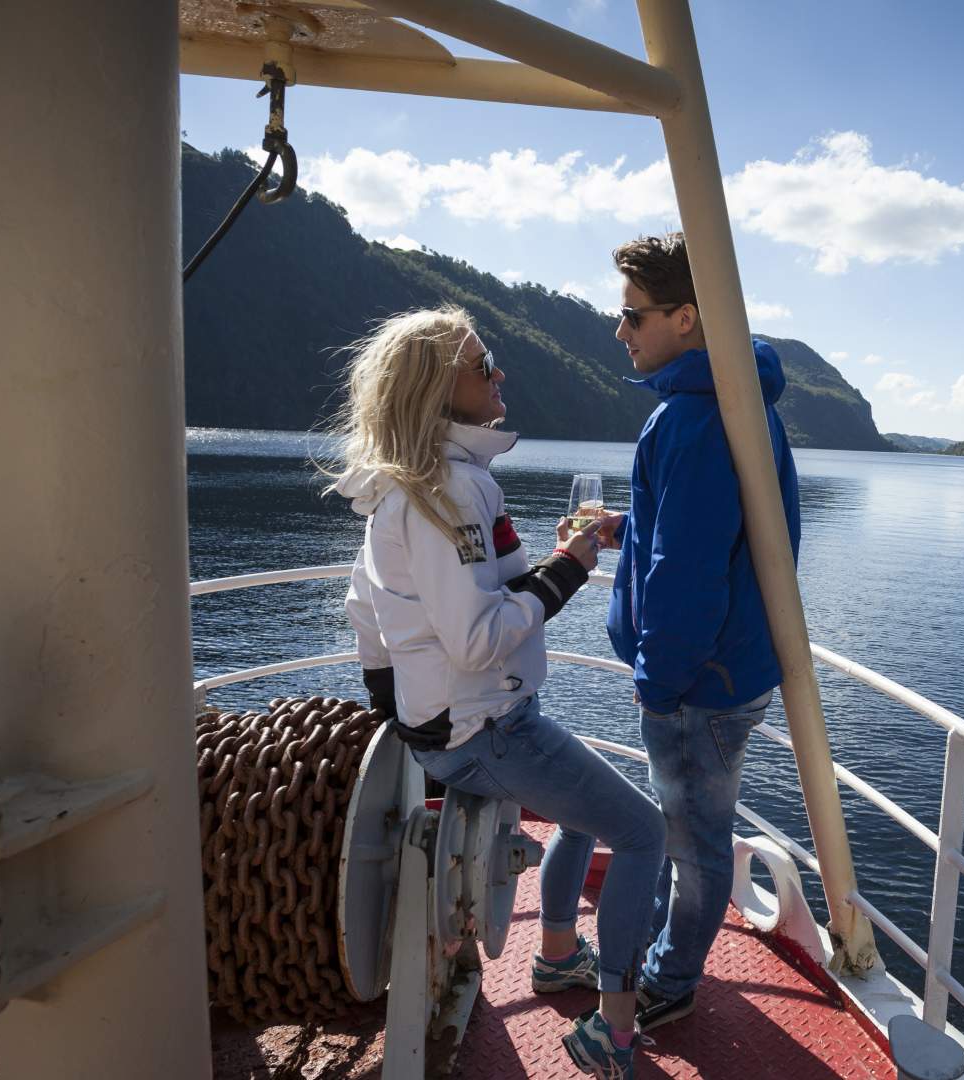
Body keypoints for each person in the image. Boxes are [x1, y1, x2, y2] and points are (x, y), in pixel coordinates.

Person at [327, 305, 659, 1079]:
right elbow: (476, 639)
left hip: (458, 727)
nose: (499, 372)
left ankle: (556, 954)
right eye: (483, 364)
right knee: (642, 832)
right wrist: (569, 569)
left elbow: (365, 608)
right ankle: (613, 1031)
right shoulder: (445, 490)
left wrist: (405, 718)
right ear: (436, 389)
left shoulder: (408, 484)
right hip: (487, 731)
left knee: (581, 811)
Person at [594, 234, 801, 1032]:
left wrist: (658, 681)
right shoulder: (736, 402)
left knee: (694, 843)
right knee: (684, 831)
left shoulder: (689, 418)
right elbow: (707, 530)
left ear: (685, 318)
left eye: (632, 315)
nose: (620, 330)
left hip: (695, 684)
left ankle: (669, 983)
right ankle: (659, 956)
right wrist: (628, 527)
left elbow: (688, 571)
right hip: (725, 670)